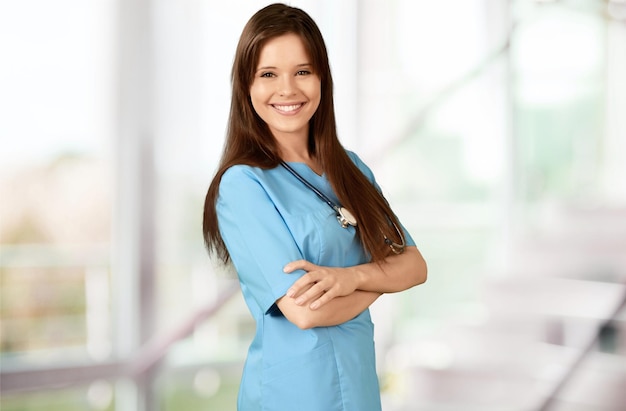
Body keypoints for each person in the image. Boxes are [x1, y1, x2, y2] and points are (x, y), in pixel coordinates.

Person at [203, 3, 427, 410]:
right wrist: (379, 278)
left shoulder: (352, 168)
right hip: (292, 394)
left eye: (302, 71)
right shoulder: (244, 185)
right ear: (246, 86)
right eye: (268, 74)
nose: (287, 89)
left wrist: (348, 280)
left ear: (322, 78)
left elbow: (415, 267)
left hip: (358, 389)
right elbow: (303, 312)